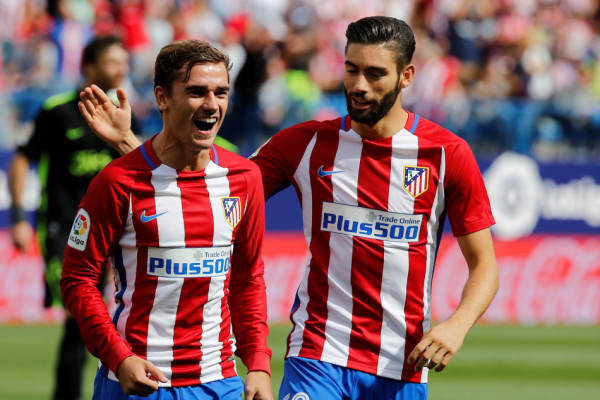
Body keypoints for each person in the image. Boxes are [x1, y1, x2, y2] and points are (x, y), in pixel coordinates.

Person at [79, 16, 499, 400]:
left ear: (406, 76)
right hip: (317, 354)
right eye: (351, 69)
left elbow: (485, 266)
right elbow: (206, 189)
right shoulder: (305, 143)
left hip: (402, 364)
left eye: (375, 74)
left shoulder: (446, 155)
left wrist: (457, 325)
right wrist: (129, 144)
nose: (359, 85)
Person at [61, 39, 273, 400]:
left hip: (218, 382)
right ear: (162, 98)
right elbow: (77, 279)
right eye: (196, 92)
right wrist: (118, 357)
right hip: (136, 382)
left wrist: (257, 364)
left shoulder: (243, 177)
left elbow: (248, 278)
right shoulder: (116, 182)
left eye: (221, 92)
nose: (212, 104)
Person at [8, 34, 129, 400]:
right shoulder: (57, 111)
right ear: (90, 67)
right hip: (64, 230)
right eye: (113, 62)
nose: (121, 69)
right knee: (82, 313)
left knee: (88, 320)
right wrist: (18, 216)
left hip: (108, 235)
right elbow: (21, 160)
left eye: (124, 62)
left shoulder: (123, 117)